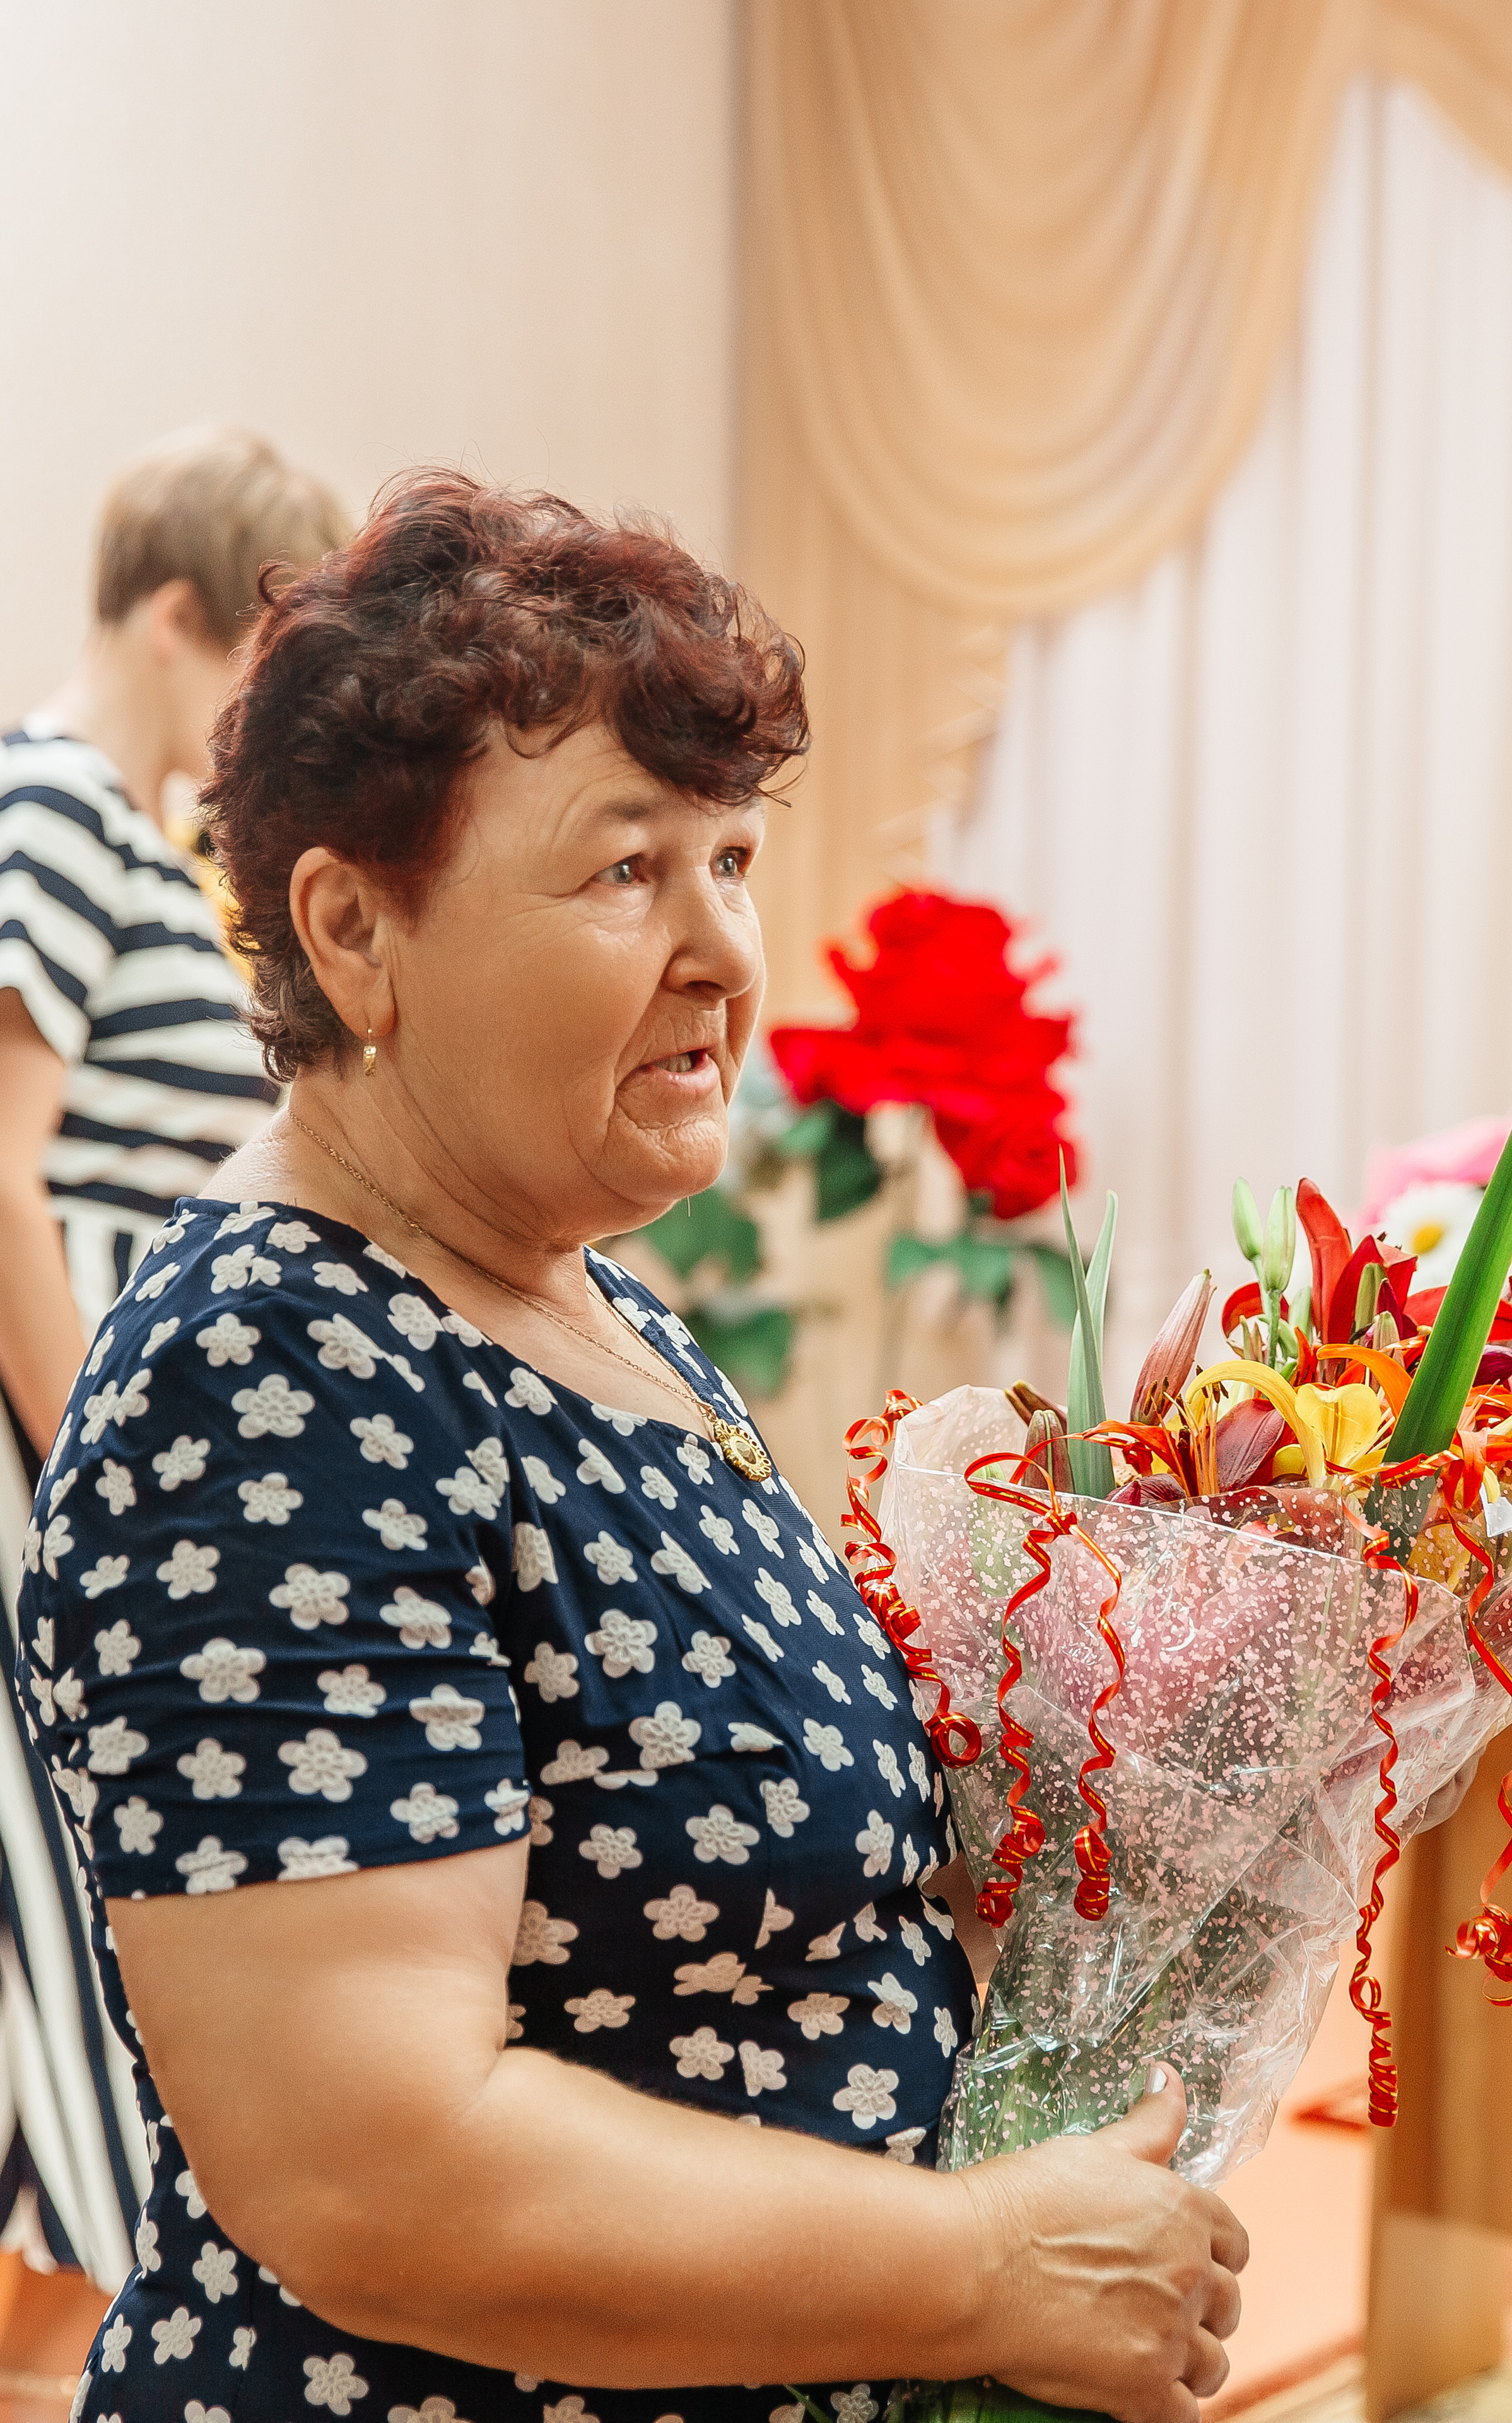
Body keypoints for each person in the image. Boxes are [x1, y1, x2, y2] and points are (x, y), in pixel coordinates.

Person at [16, 473, 1249, 2423]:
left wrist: (1165, 1565)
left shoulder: (587, 1296)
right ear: (354, 930)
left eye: (736, 862)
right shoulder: (271, 1372)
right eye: (624, 873)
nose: (729, 955)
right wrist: (989, 2267)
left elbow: (769, 1848)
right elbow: (373, 2174)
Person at [0, 428, 346, 2383]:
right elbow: (1, 1169)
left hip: (104, 1437)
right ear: (171, 617)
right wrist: (84, 1471)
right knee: (65, 1997)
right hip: (47, 1444)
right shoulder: (48, 802)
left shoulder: (134, 838)